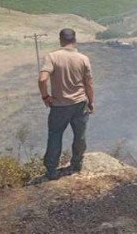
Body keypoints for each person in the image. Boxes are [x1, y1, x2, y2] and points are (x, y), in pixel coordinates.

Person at [38, 28, 94, 180]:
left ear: (60, 40)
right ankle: (76, 164)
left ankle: (51, 171)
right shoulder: (83, 59)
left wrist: (45, 97)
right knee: (80, 136)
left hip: (59, 106)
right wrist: (91, 102)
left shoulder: (52, 57)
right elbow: (88, 83)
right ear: (74, 40)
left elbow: (42, 79)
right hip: (79, 104)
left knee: (55, 136)